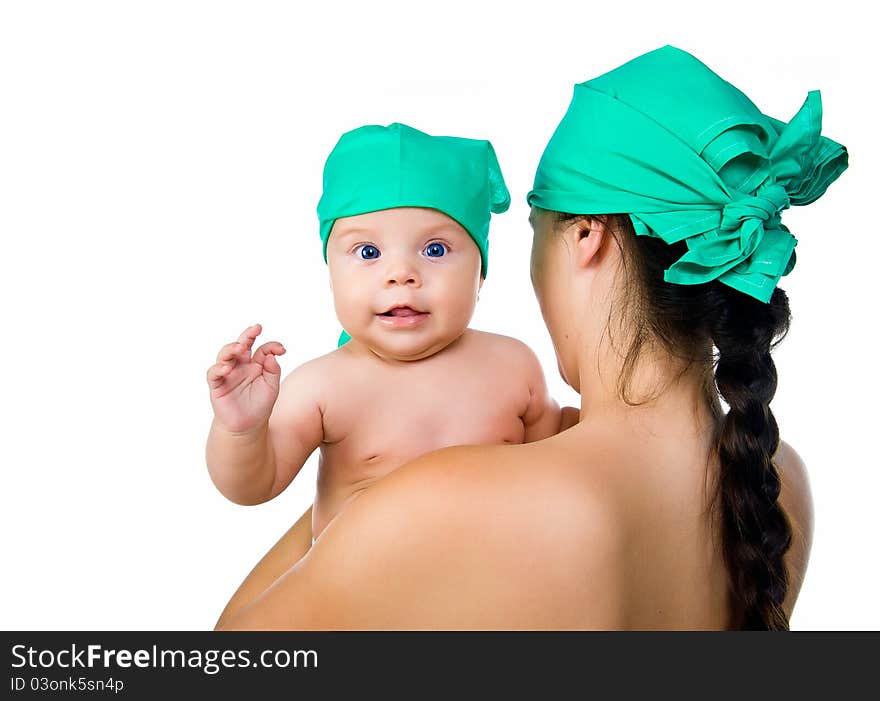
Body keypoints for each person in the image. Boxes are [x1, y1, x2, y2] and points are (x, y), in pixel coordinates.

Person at [214, 45, 848, 630]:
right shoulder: (773, 480)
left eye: (535, 231)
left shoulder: (444, 502)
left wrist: (367, 438)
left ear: (585, 238)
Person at [206, 122, 573, 544]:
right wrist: (240, 431)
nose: (401, 274)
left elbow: (552, 462)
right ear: (330, 275)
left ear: (480, 274)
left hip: (493, 592)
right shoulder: (323, 387)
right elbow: (253, 486)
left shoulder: (513, 366)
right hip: (364, 602)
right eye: (368, 252)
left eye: (435, 250)